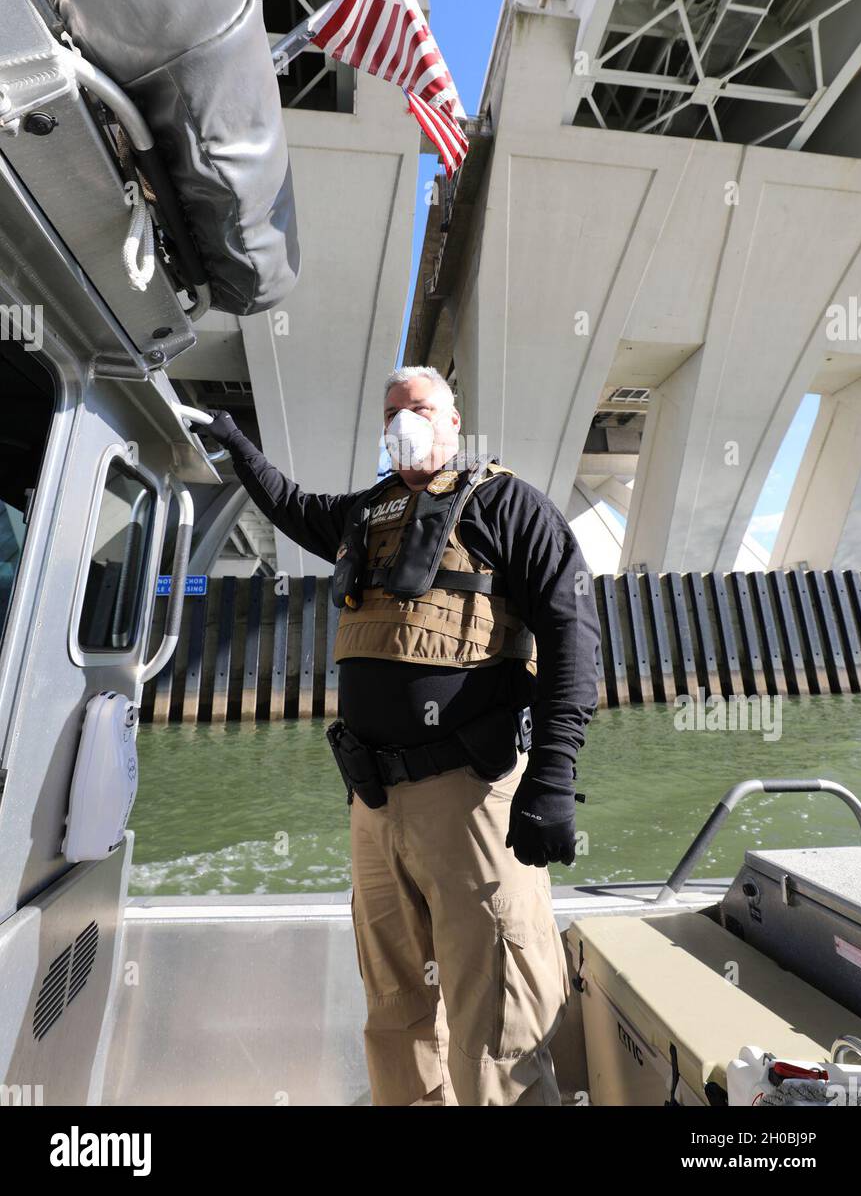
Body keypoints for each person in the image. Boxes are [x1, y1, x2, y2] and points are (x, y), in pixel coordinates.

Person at [195, 366, 601, 1106]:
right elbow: (290, 505)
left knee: (497, 1016)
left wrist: (552, 775)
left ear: (453, 422)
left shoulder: (511, 507)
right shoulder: (367, 513)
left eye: (418, 408)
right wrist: (236, 446)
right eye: (391, 412)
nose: (403, 422)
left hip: (473, 801)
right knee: (394, 1007)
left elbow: (573, 634)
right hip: (373, 804)